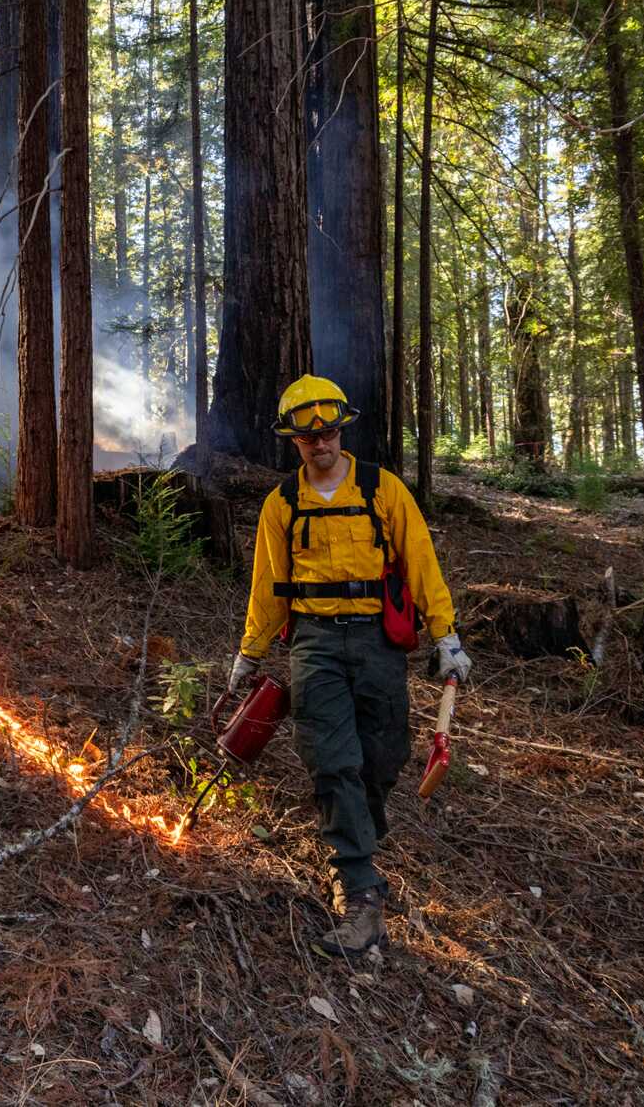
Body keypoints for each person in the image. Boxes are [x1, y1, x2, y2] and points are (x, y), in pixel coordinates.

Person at [226, 374, 470, 958]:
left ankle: (361, 838)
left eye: (329, 431)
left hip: (377, 644)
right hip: (313, 643)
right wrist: (250, 651)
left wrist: (446, 635)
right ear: (293, 440)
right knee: (333, 762)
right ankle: (359, 891)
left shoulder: (382, 490)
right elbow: (267, 586)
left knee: (382, 758)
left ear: (342, 430)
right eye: (308, 436)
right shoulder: (282, 503)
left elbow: (421, 563)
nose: (320, 444)